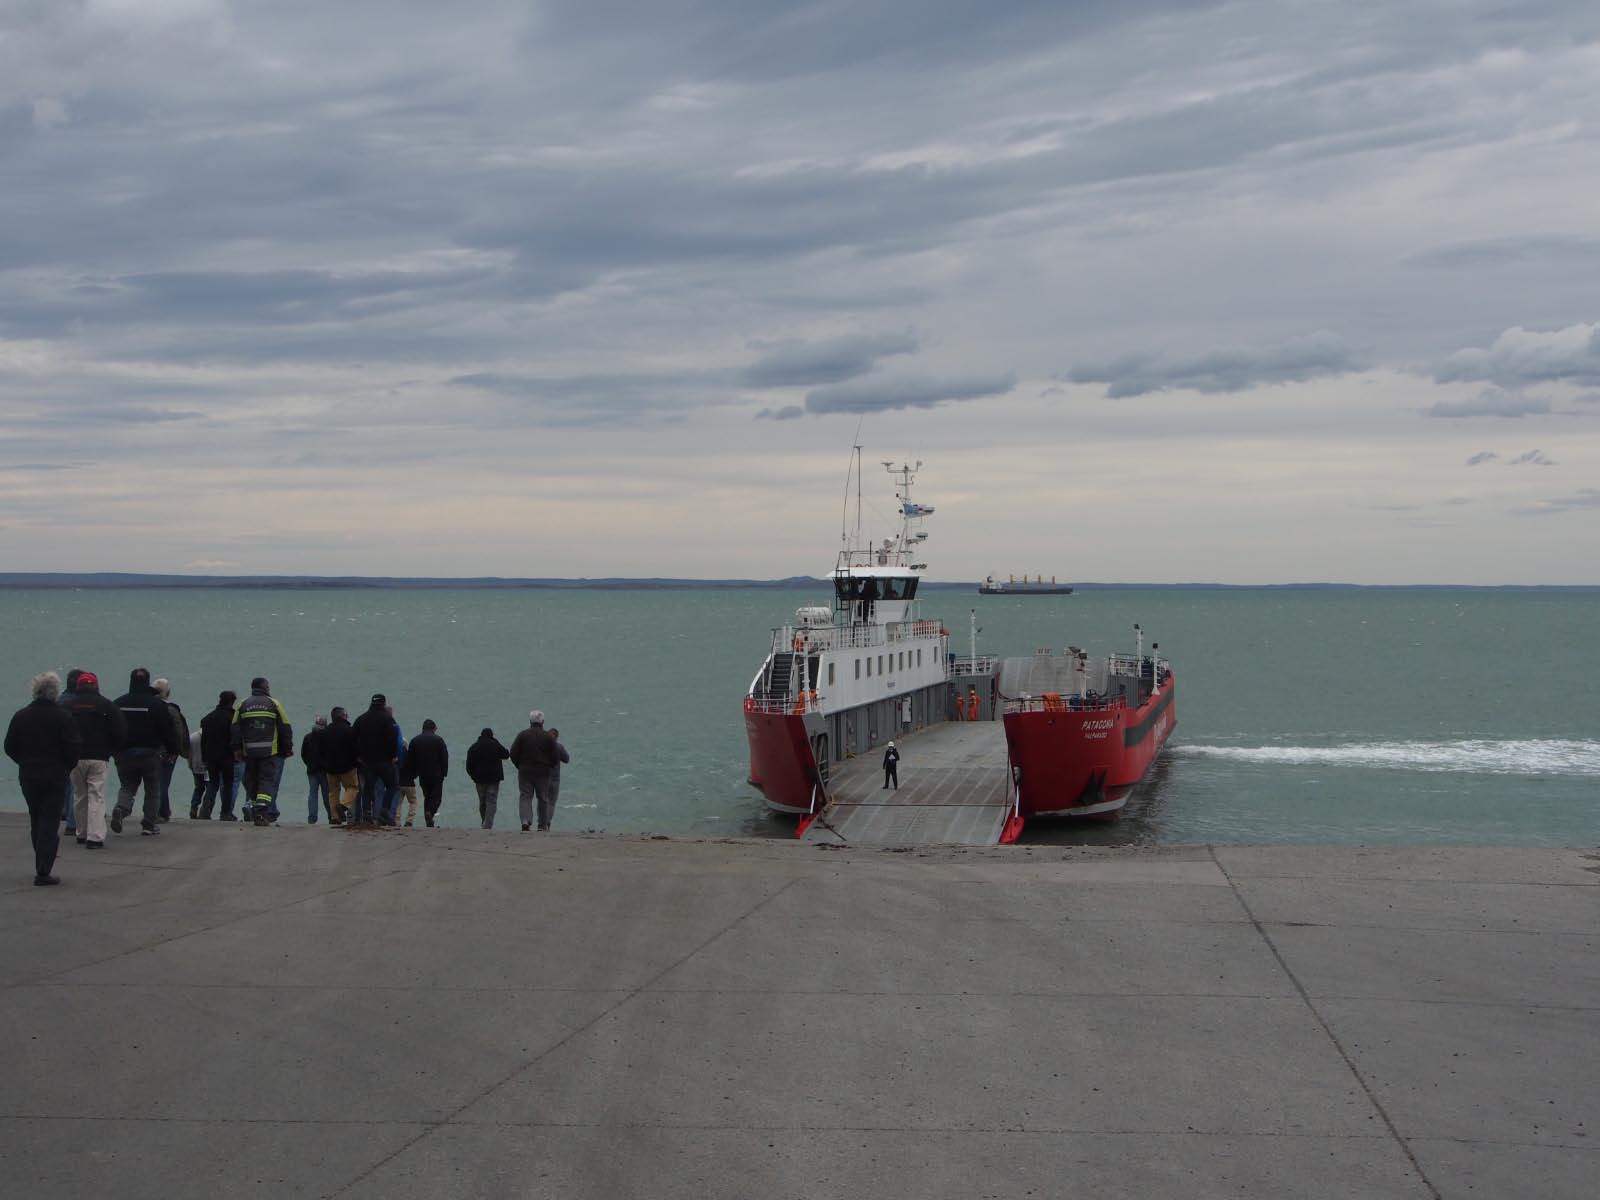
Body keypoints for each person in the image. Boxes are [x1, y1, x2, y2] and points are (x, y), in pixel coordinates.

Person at [5, 671, 81, 885]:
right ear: (54, 693)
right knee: (50, 819)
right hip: (55, 775)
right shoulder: (63, 717)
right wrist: (66, 766)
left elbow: (9, 746)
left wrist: (24, 761)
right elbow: (73, 748)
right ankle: (43, 869)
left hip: (29, 774)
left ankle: (41, 857)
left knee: (36, 817)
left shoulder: (21, 716)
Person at [111, 667, 181, 836]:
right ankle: (149, 824)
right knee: (152, 788)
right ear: (147, 682)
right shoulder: (156, 704)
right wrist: (173, 751)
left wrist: (112, 749)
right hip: (150, 753)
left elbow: (111, 729)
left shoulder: (118, 703)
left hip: (124, 753)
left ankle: (121, 808)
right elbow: (167, 730)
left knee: (127, 786)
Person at [62, 670, 124, 848]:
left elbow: (61, 732)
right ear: (96, 686)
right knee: (96, 796)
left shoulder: (68, 707)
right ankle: (94, 837)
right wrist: (112, 750)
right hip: (99, 757)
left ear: (78, 686)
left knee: (79, 795)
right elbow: (120, 731)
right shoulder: (107, 706)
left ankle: (81, 832)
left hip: (75, 758)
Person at [231, 677, 293, 827]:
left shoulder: (242, 705)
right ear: (265, 688)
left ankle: (254, 807)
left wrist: (237, 749)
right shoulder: (274, 704)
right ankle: (261, 812)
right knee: (266, 781)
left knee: (252, 781)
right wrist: (287, 749)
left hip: (249, 752)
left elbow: (235, 728)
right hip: (269, 751)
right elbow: (285, 727)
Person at [351, 693, 399, 827]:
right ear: (383, 704)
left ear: (371, 703)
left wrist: (359, 755)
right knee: (392, 786)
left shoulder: (361, 719)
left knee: (368, 788)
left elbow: (352, 738)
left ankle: (367, 813)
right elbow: (393, 739)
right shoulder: (388, 719)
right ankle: (384, 811)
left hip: (367, 761)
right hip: (384, 761)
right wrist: (393, 756)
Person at [509, 710, 559, 832]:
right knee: (543, 798)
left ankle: (525, 821)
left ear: (530, 721)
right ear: (543, 722)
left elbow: (513, 753)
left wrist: (519, 765)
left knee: (525, 796)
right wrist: (550, 766)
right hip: (543, 771)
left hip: (525, 770)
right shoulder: (548, 737)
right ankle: (542, 825)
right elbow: (556, 757)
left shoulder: (522, 735)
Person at [198, 690, 238, 820]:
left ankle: (206, 807)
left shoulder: (208, 718)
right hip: (227, 756)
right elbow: (235, 738)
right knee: (227, 784)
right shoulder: (232, 718)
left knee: (213, 782)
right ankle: (226, 813)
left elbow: (203, 740)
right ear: (232, 702)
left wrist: (204, 757)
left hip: (211, 756)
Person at [154, 678, 189, 823]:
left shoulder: (149, 708)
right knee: (163, 782)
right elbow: (179, 732)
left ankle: (164, 810)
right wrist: (179, 751)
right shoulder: (172, 710)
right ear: (168, 693)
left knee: (156, 782)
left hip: (150, 750)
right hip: (168, 751)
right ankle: (160, 811)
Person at [407, 719, 449, 827]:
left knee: (427, 796)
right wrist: (444, 772)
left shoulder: (415, 740)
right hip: (436, 773)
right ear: (433, 728)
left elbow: (410, 759)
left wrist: (412, 774)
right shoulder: (439, 740)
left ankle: (428, 820)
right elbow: (444, 757)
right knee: (436, 797)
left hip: (422, 773)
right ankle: (430, 812)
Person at [465, 727, 509, 829]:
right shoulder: (495, 744)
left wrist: (473, 777)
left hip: (479, 779)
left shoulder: (474, 747)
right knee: (491, 801)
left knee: (482, 801)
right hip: (494, 779)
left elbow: (468, 766)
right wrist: (496, 741)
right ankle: (488, 824)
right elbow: (506, 754)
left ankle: (484, 821)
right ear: (491, 735)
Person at [321, 707, 359, 825]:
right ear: (343, 716)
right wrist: (356, 761)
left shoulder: (326, 731)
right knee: (353, 787)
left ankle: (334, 817)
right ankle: (343, 805)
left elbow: (322, 750)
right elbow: (355, 748)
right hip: (347, 767)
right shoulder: (349, 730)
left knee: (333, 792)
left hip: (330, 768)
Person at [301, 715, 329, 824]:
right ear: (325, 724)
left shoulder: (308, 737)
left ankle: (312, 817)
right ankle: (331, 816)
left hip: (311, 769)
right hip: (324, 770)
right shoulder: (327, 737)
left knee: (313, 793)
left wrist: (308, 764)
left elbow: (303, 754)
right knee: (327, 794)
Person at [546, 727, 571, 830]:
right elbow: (566, 759)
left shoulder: (541, 747)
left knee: (543, 801)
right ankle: (547, 822)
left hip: (543, 778)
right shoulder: (559, 747)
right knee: (551, 802)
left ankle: (541, 823)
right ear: (557, 737)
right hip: (555, 778)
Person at [185, 724, 207, 819]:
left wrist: (190, 765)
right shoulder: (210, 737)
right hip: (207, 768)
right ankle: (205, 810)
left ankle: (193, 808)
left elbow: (189, 754)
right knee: (210, 790)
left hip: (196, 767)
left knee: (198, 788)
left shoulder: (192, 737)